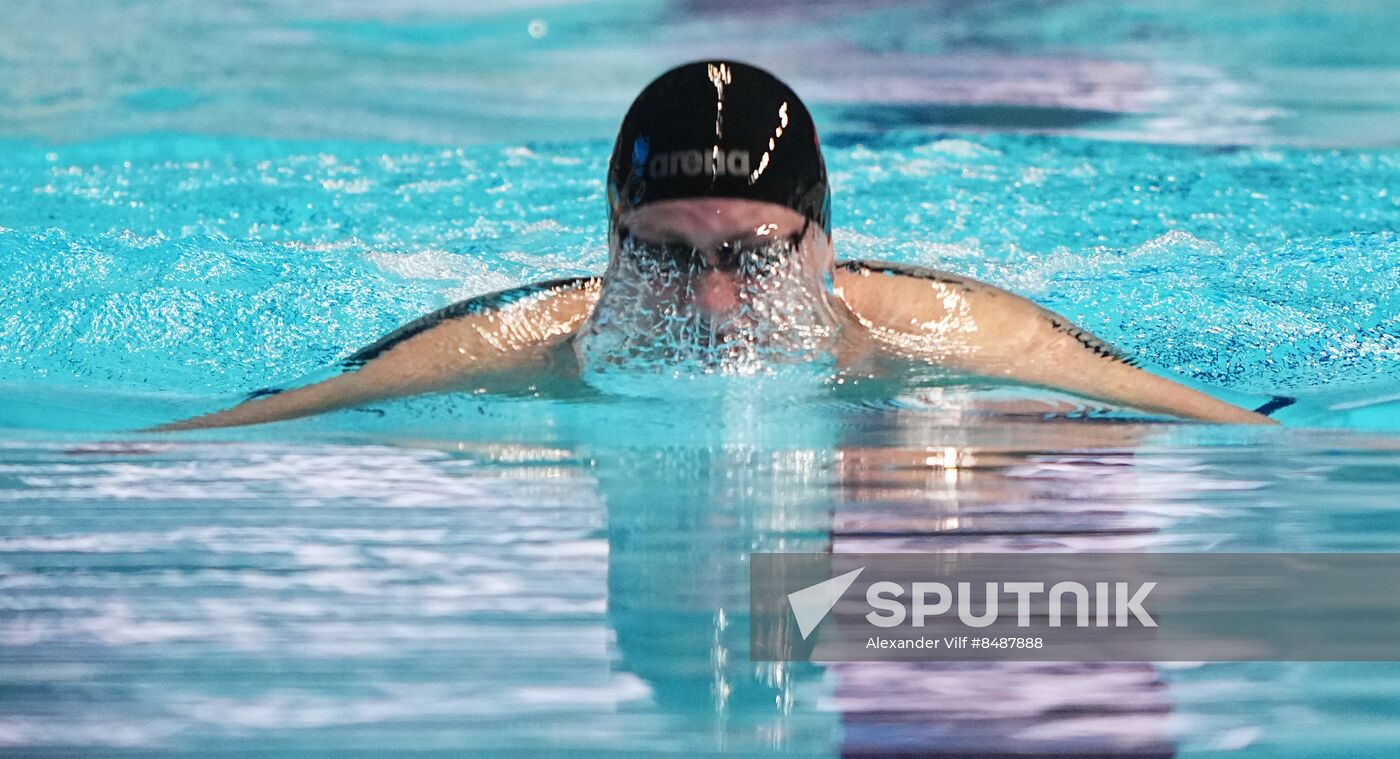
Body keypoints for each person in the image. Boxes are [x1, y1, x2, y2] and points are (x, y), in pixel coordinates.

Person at [157, 60, 1277, 431]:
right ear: (607, 243)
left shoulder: (955, 327)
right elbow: (248, 423)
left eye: (751, 253)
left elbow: (1230, 426)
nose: (712, 305)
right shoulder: (511, 344)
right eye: (659, 255)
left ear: (826, 242)